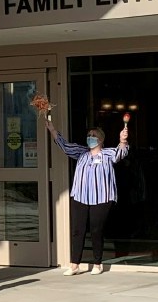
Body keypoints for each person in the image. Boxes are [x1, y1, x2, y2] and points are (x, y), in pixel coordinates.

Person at [48, 118, 129, 276]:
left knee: (96, 229)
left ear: (101, 139)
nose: (90, 137)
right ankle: (74, 264)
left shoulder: (107, 154)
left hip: (102, 197)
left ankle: (97, 263)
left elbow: (121, 153)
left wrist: (122, 140)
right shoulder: (81, 152)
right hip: (80, 196)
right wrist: (52, 130)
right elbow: (65, 146)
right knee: (77, 230)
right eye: (89, 135)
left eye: (93, 135)